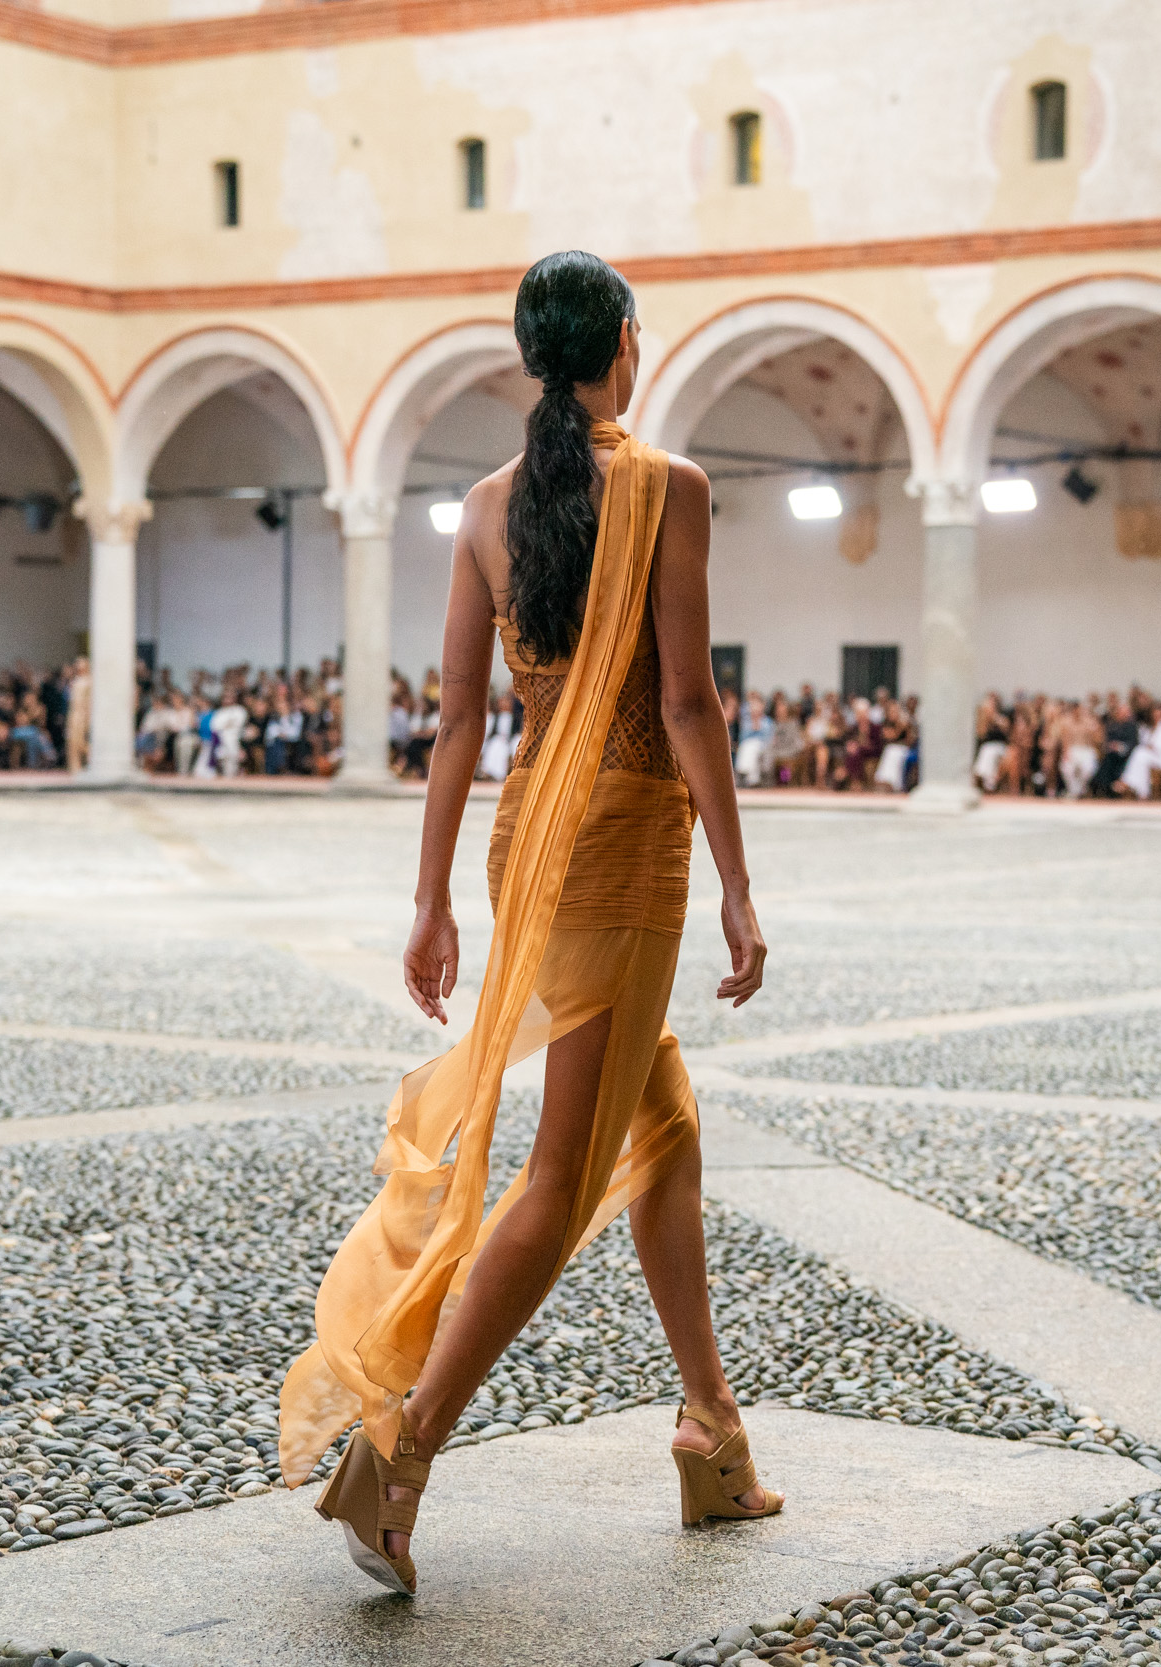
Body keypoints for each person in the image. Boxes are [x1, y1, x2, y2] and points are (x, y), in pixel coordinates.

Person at [279, 252, 779, 1599]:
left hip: (525, 843)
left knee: (660, 1122)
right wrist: (738, 880)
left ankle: (712, 1428)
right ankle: (399, 1454)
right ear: (626, 343)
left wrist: (433, 896)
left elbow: (453, 719)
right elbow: (689, 707)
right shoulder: (671, 488)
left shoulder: (487, 508)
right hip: (625, 849)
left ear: (523, 358)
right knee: (562, 1174)